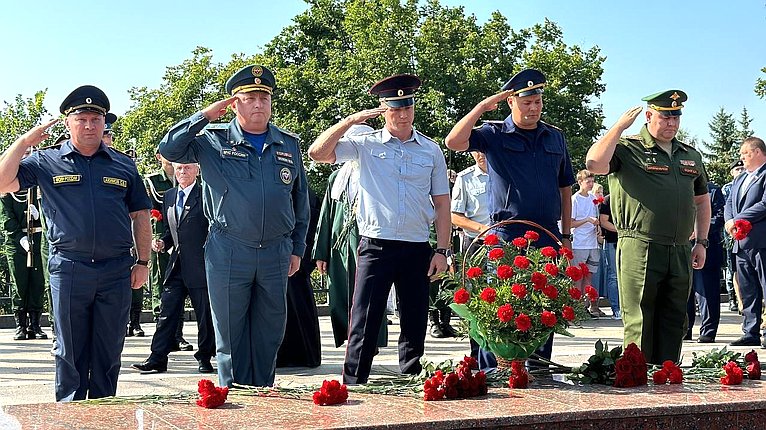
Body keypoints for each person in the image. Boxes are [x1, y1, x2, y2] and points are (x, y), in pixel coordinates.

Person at [159, 65, 310, 388]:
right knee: (230, 333)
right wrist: (204, 115)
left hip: (275, 250)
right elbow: (169, 149)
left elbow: (300, 202)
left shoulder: (288, 144)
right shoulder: (212, 142)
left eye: (264, 98)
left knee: (270, 332)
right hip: (229, 250)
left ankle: (263, 394)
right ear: (235, 104)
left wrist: (297, 248)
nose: (258, 104)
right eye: (250, 97)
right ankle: (236, 400)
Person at [0, 85, 152, 401]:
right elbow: (2, 182)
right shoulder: (46, 161)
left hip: (116, 270)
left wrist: (142, 262)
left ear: (104, 124)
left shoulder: (123, 165)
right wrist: (24, 142)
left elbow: (140, 215)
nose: (88, 125)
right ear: (68, 122)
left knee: (109, 350)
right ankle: (70, 414)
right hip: (70, 268)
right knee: (69, 351)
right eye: (81, 118)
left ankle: (104, 412)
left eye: (95, 119)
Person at [308, 73, 451, 384]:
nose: (401, 115)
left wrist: (442, 249)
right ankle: (354, 381)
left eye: (407, 108)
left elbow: (442, 204)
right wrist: (349, 121)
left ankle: (412, 378)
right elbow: (317, 154)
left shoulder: (430, 150)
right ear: (383, 110)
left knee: (414, 318)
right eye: (394, 109)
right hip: (376, 244)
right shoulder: (365, 145)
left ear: (414, 108)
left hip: (416, 245)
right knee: (364, 317)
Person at [444, 69, 575, 369]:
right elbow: (454, 141)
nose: (533, 108)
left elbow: (565, 187)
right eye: (526, 102)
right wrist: (480, 108)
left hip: (547, 237)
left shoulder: (555, 136)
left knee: (545, 309)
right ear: (511, 102)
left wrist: (565, 235)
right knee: (500, 312)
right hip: (507, 238)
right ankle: (494, 373)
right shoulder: (493, 134)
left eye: (538, 101)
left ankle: (539, 370)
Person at [585, 90, 711, 364]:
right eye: (665, 117)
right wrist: (618, 127)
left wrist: (701, 241)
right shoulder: (627, 149)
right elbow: (594, 163)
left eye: (676, 117)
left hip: (679, 248)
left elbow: (702, 201)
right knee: (640, 318)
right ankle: (639, 381)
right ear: (649, 115)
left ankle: (668, 376)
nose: (672, 123)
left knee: (676, 317)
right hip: (640, 245)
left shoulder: (689, 155)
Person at [131, 162, 216, 374]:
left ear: (197, 169)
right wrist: (163, 242)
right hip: (176, 265)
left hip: (200, 265)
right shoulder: (169, 195)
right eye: (179, 169)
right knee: (166, 312)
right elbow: (171, 231)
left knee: (204, 314)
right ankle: (158, 357)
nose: (182, 172)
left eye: (187, 168)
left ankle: (205, 356)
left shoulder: (206, 194)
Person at [312, 124, 389, 350]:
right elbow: (326, 215)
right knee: (341, 294)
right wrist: (321, 252)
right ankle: (350, 340)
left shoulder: (377, 174)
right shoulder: (337, 176)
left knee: (367, 292)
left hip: (365, 240)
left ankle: (369, 342)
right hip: (339, 246)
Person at [143, 153, 191, 351]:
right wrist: (155, 237)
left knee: (180, 288)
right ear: (158, 157)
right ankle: (163, 334)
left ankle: (178, 335)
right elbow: (147, 212)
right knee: (161, 285)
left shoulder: (189, 177)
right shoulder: (152, 181)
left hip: (183, 242)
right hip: (161, 241)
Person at [724, 136, 766, 347]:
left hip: (761, 241)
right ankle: (750, 331)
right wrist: (729, 220)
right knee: (747, 289)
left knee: (765, 286)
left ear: (757, 152)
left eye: (745, 154)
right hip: (741, 242)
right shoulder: (740, 178)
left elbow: (765, 204)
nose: (741, 158)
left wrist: (740, 219)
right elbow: (730, 201)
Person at [277, 189, 322, 368]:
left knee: (298, 307)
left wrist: (301, 256)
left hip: (296, 260)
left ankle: (302, 356)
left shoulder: (306, 193)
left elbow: (312, 226)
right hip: (278, 256)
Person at [1, 171, 47, 340]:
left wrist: (39, 214)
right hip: (16, 242)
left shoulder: (36, 188)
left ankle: (35, 324)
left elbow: (50, 212)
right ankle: (21, 325)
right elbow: (5, 217)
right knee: (19, 283)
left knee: (38, 281)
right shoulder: (7, 188)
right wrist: (20, 238)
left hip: (37, 238)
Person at [686, 181, 725, 343]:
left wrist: (699, 231)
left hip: (707, 248)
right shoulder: (680, 187)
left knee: (707, 292)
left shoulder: (713, 191)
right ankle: (685, 330)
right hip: (682, 248)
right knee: (683, 293)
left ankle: (708, 330)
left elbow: (719, 216)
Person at [571, 169, 603, 317]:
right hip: (579, 243)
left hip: (592, 243)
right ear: (580, 182)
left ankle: (588, 305)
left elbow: (596, 218)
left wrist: (597, 228)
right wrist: (587, 220)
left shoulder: (592, 198)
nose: (591, 184)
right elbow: (570, 223)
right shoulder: (575, 199)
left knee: (589, 276)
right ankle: (576, 307)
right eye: (588, 181)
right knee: (578, 277)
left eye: (592, 181)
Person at [722, 159, 745, 312]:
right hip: (732, 234)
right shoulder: (726, 189)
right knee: (733, 269)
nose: (741, 171)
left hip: (751, 234)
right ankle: (736, 299)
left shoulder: (753, 182)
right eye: (737, 170)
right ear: (731, 172)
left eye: (742, 168)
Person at [598, 194, 621, 319]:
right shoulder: (608, 199)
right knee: (614, 276)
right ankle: (616, 308)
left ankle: (626, 308)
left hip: (628, 242)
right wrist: (621, 230)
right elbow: (603, 221)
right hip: (612, 241)